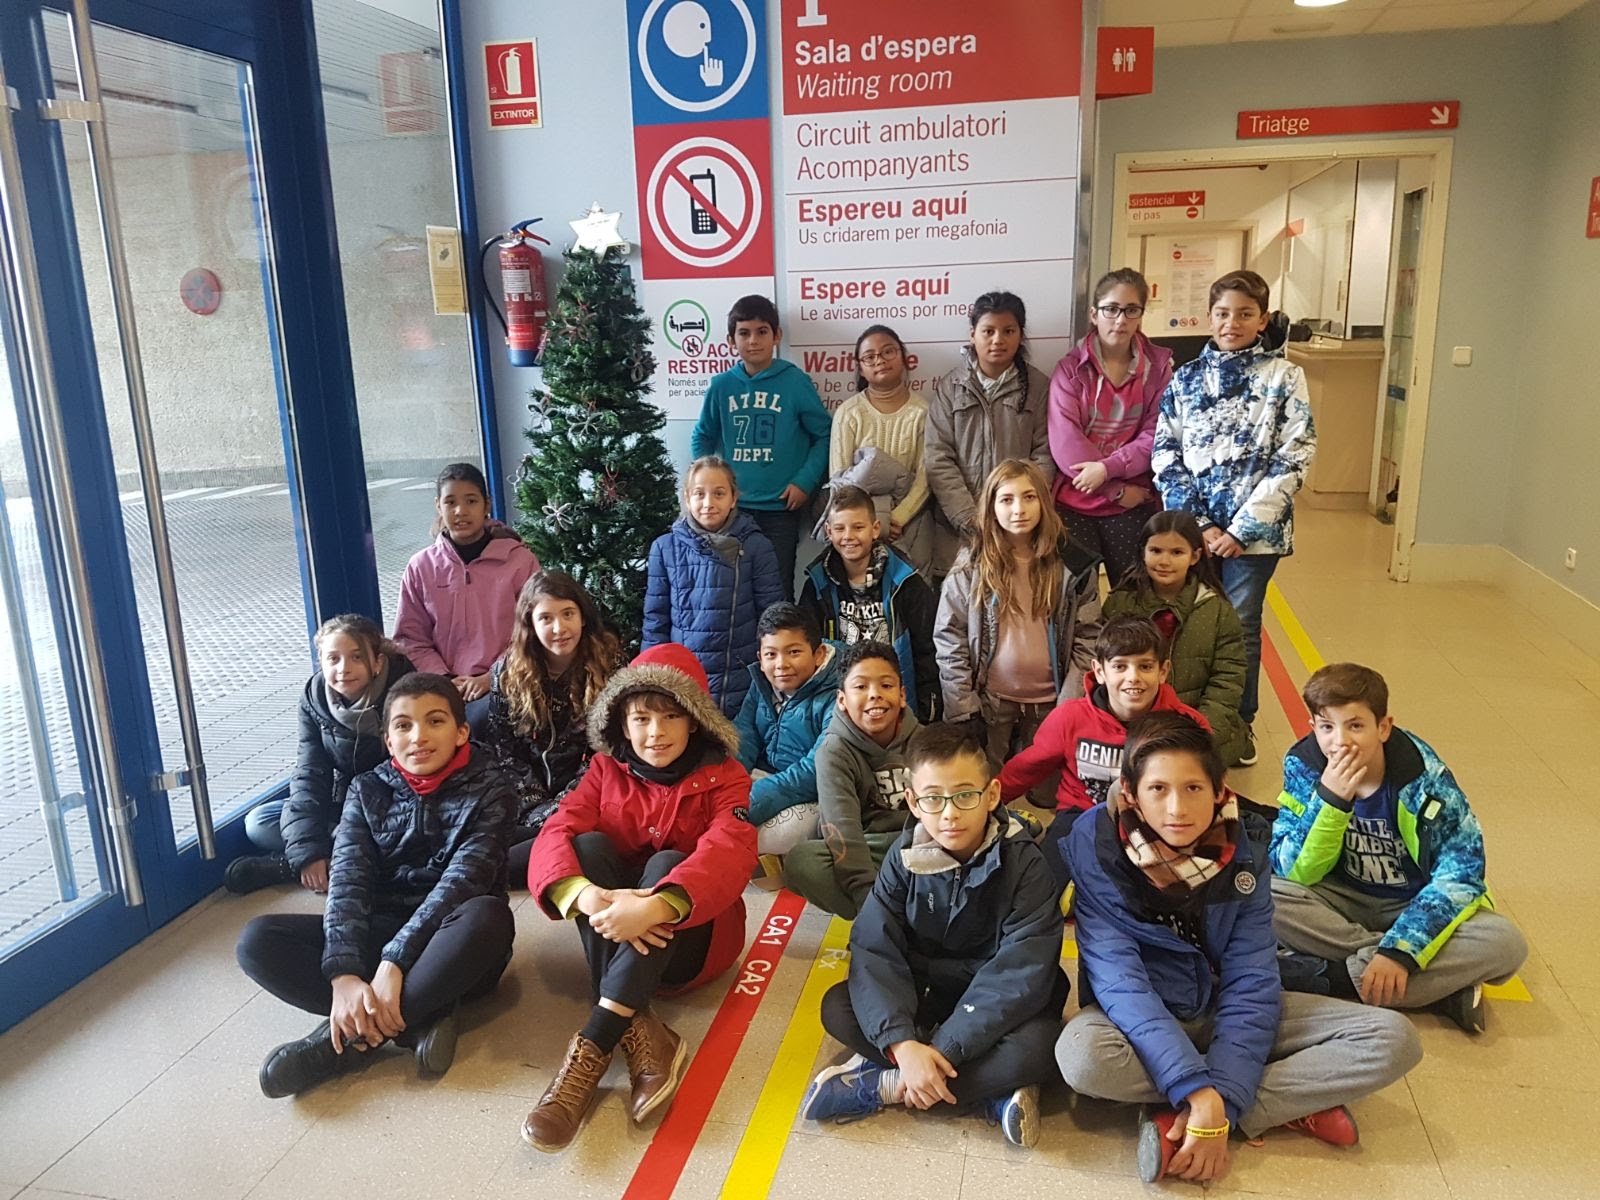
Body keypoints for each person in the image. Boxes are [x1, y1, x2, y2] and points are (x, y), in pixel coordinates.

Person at [1055, 712, 1421, 1184]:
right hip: (1138, 1019)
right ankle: (1270, 1104)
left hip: (1224, 1005)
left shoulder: (1242, 845)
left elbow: (1252, 977)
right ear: (1131, 793)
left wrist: (1219, 1103)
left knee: (1393, 1039)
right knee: (1082, 1057)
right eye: (1158, 789)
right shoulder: (1095, 845)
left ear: (1218, 789)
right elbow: (1121, 984)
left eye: (1193, 788)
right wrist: (1194, 1084)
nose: (1177, 808)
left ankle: (1190, 1118)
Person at [521, 643, 757, 1152]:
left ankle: (595, 1041)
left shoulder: (726, 776)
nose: (656, 732)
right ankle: (643, 1027)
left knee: (668, 863)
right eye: (641, 718)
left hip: (693, 939)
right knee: (587, 847)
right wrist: (585, 895)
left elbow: (730, 850)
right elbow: (557, 831)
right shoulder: (605, 770)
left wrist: (654, 905)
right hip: (617, 924)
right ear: (623, 726)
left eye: (671, 716)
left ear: (695, 719)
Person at [234, 673, 516, 1098]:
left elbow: (461, 883)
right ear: (387, 740)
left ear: (461, 732)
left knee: (487, 916)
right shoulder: (367, 789)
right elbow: (348, 882)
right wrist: (344, 974)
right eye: (403, 725)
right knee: (257, 941)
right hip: (380, 930)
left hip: (450, 942)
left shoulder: (493, 789)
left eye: (435, 721)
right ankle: (418, 1016)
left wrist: (394, 963)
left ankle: (341, 1043)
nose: (418, 736)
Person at [800, 722, 1067, 1147]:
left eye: (964, 795)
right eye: (933, 798)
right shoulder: (904, 856)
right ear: (913, 801)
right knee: (837, 1006)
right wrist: (903, 1044)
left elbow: (1021, 970)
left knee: (1042, 1047)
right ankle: (985, 1094)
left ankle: (887, 1085)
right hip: (925, 992)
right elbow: (874, 945)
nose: (949, 813)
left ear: (992, 795)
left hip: (990, 1006)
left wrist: (944, 1049)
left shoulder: (1026, 864)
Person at [1270, 663, 1528, 1034]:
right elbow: (1293, 871)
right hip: (1339, 898)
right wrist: (1330, 801)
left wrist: (1401, 949)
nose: (1340, 742)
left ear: (1383, 727)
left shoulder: (1424, 777)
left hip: (1410, 901)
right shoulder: (1304, 764)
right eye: (1327, 727)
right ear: (1313, 727)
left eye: (1355, 725)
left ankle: (1331, 978)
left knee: (1505, 944)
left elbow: (1462, 870)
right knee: (1260, 893)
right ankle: (1436, 990)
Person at [1152, 270, 1315, 766]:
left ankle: (1236, 726)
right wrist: (1199, 526)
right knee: (1190, 622)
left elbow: (1295, 455)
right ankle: (1186, 716)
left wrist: (1241, 530)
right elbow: (1166, 454)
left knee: (1241, 626)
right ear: (1209, 316)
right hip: (1193, 535)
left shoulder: (1284, 377)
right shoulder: (1185, 378)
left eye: (1245, 314)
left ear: (1262, 320)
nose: (1232, 323)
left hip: (1256, 539)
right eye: (1223, 313)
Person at [1000, 615, 1208, 894]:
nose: (1133, 677)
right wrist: (986, 801)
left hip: (1154, 823)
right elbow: (1026, 769)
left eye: (1145, 666)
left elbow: (1204, 787)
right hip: (1078, 816)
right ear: (1099, 671)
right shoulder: (1070, 717)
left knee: (1165, 894)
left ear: (1163, 671)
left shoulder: (1187, 725)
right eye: (1120, 666)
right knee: (1039, 891)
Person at [934, 459, 1101, 801]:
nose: (1019, 509)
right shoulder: (971, 565)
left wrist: (1070, 702)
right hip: (990, 700)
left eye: (1029, 497)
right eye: (1007, 499)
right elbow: (950, 637)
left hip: (1052, 703)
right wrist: (963, 706)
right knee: (986, 790)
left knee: (1046, 797)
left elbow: (1089, 636)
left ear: (1043, 501)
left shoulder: (1074, 565)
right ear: (991, 506)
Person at [226, 614, 415, 895]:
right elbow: (310, 772)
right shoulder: (315, 699)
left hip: (396, 806)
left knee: (399, 838)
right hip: (344, 802)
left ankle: (290, 867)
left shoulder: (407, 692)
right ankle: (331, 860)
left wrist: (352, 827)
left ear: (377, 662)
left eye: (356, 657)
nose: (343, 669)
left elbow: (412, 780)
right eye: (333, 659)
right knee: (260, 822)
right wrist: (308, 850)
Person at [469, 571, 622, 885]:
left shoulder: (611, 665)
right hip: (526, 797)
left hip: (590, 795)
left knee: (589, 839)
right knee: (488, 830)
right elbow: (505, 753)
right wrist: (536, 807)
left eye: (568, 614)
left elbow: (608, 752)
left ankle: (526, 857)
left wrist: (563, 807)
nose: (559, 628)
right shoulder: (507, 672)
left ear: (583, 617)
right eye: (546, 618)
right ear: (530, 623)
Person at [689, 294, 832, 598]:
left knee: (776, 591)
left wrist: (805, 481)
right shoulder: (721, 386)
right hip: (733, 510)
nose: (753, 341)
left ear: (776, 336)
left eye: (761, 331)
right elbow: (702, 436)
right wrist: (708, 488)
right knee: (732, 590)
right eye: (744, 333)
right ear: (731, 340)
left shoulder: (794, 381)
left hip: (780, 510)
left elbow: (824, 435)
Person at [1048, 268, 1173, 584]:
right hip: (1077, 501)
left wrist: (1108, 469)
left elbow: (1157, 434)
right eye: (1111, 309)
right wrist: (1112, 489)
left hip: (1134, 499)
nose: (1120, 320)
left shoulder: (1159, 369)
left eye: (1131, 310)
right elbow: (1066, 443)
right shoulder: (1069, 370)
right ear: (1094, 314)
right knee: (1076, 597)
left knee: (1135, 593)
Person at [784, 641, 920, 920]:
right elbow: (843, 829)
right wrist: (870, 906)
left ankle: (920, 905)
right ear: (842, 700)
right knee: (803, 860)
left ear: (902, 695)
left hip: (920, 842)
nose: (875, 694)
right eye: (860, 686)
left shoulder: (924, 741)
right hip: (870, 847)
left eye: (886, 685)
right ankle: (888, 916)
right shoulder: (833, 752)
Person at [1103, 510, 1250, 767]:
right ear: (1142, 552)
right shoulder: (1120, 602)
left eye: (1177, 552)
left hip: (1194, 721)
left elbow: (1228, 678)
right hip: (1132, 721)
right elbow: (1107, 671)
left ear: (1195, 556)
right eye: (1155, 551)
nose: (1164, 561)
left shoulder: (1217, 609)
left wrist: (1203, 732)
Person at [643, 455, 785, 717]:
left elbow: (772, 619)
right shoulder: (664, 548)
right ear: (687, 498)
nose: (708, 503)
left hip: (742, 681)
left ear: (733, 498)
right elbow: (655, 622)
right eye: (699, 494)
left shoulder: (757, 546)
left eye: (719, 493)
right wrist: (652, 682)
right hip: (683, 682)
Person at [925, 291, 1055, 576]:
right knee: (961, 599)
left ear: (1020, 335)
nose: (998, 340)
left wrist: (1018, 509)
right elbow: (938, 457)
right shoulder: (951, 387)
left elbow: (1045, 454)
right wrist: (970, 518)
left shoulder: (1039, 387)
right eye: (988, 331)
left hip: (1020, 528)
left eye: (1008, 331)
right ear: (973, 334)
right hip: (960, 533)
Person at [393, 462, 539, 701]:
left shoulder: (520, 561)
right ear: (438, 506)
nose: (460, 511)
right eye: (450, 502)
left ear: (487, 505)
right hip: (441, 686)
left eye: (471, 501)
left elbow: (533, 631)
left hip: (509, 682)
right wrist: (443, 679)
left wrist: (492, 677)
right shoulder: (420, 567)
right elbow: (411, 639)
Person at [799, 484, 938, 722]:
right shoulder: (817, 584)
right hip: (839, 702)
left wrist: (927, 710)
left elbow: (926, 649)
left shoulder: (906, 582)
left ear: (875, 529)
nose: (848, 536)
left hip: (895, 699)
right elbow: (810, 648)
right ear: (828, 532)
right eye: (840, 528)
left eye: (858, 527)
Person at [733, 603, 842, 859]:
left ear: (818, 654)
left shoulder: (838, 695)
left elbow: (815, 769)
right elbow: (743, 734)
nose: (781, 664)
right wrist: (730, 784)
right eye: (771, 655)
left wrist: (748, 803)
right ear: (760, 659)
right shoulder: (763, 683)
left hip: (812, 794)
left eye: (793, 652)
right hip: (764, 780)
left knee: (779, 834)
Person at [827, 324, 932, 573]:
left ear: (903, 357)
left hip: (908, 523)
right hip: (857, 528)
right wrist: (866, 523)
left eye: (888, 352)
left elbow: (926, 476)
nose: (880, 361)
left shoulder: (923, 412)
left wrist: (898, 518)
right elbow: (839, 479)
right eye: (870, 357)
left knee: (911, 589)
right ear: (860, 367)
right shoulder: (848, 413)